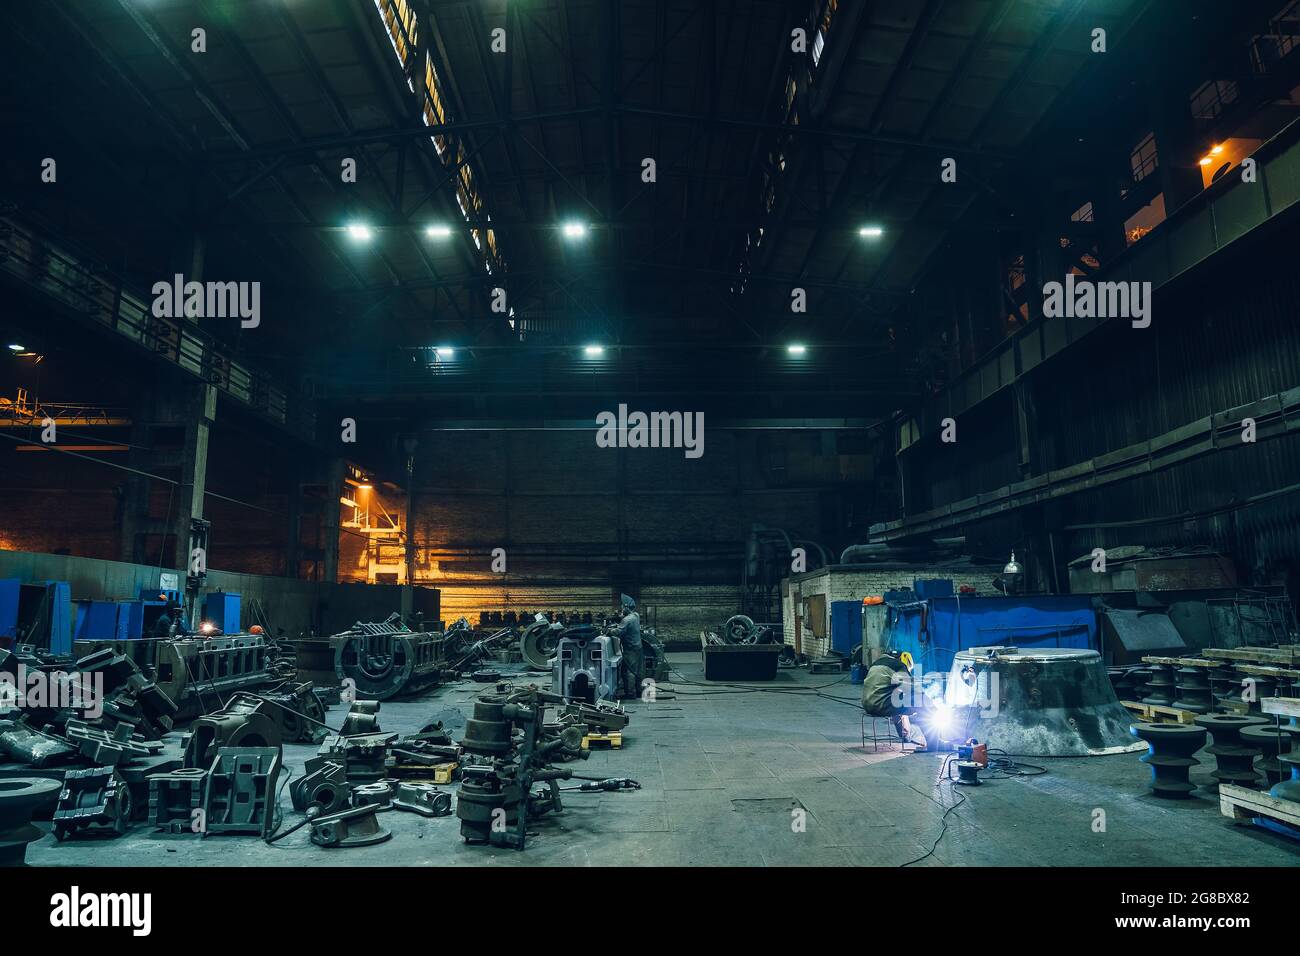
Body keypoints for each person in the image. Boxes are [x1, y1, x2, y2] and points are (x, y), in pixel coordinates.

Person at [861, 650, 928, 749]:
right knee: (921, 702)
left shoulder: (877, 664)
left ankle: (906, 735)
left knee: (899, 701)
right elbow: (914, 689)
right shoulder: (898, 666)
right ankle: (934, 743)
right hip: (881, 705)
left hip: (868, 705)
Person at [615, 594, 643, 699]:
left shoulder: (626, 620)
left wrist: (608, 631)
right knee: (639, 670)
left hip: (630, 649)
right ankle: (639, 691)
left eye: (622, 606)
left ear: (626, 607)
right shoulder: (636, 615)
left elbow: (618, 631)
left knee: (630, 671)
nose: (621, 608)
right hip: (638, 647)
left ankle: (630, 694)